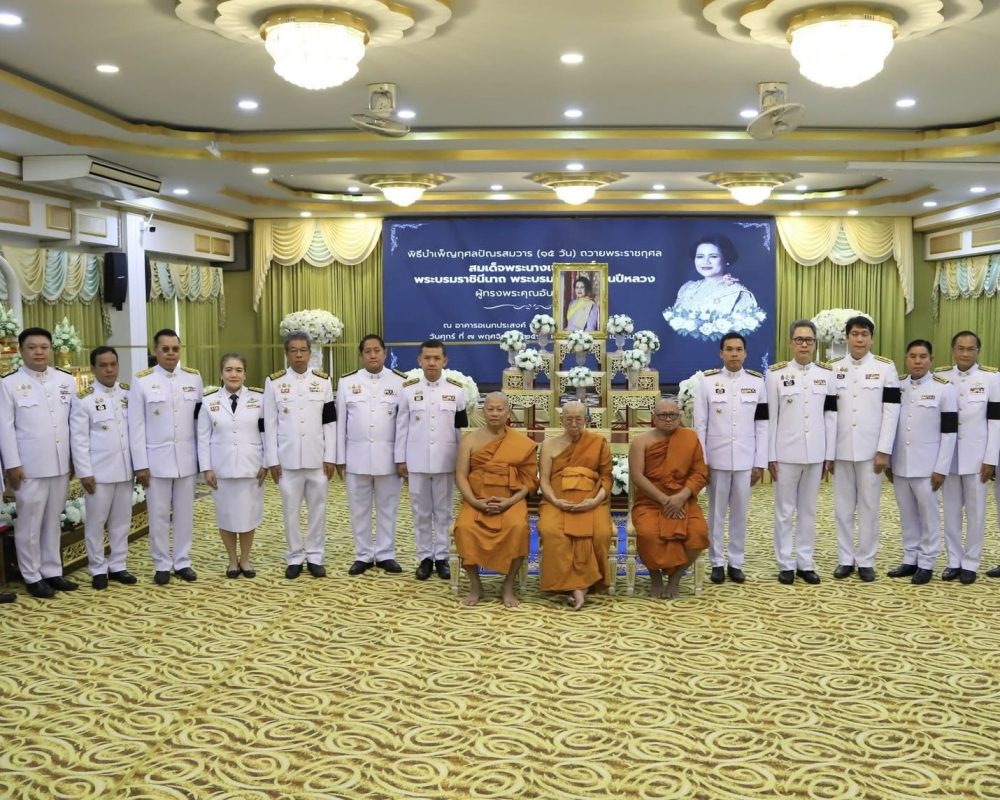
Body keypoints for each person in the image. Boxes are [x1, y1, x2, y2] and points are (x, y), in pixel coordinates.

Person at [0, 327, 79, 598]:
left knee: (53, 520)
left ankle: (52, 571)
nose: (39, 352)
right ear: (21, 351)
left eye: (44, 347)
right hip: (28, 467)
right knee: (30, 523)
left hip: (60, 464)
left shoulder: (65, 380)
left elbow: (73, 424)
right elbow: (5, 428)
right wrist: (12, 464)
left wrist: (74, 460)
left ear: (51, 349)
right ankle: (32, 575)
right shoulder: (9, 383)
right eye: (32, 347)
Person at [129, 328, 203, 585]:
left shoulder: (193, 378)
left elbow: (199, 422)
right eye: (165, 349)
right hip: (155, 461)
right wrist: (140, 464)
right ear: (155, 351)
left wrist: (202, 459)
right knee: (158, 515)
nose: (171, 353)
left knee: (184, 514)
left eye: (175, 349)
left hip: (186, 459)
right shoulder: (142, 380)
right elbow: (136, 426)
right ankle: (161, 563)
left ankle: (182, 561)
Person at [829, 315, 900, 582]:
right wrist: (828, 453)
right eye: (855, 334)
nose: (859, 339)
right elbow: (828, 413)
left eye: (864, 334)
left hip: (872, 451)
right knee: (843, 508)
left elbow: (891, 411)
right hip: (841, 449)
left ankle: (866, 560)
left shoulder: (885, 368)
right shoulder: (833, 368)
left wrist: (884, 450)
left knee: (869, 507)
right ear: (847, 337)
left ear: (871, 338)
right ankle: (845, 559)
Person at [693, 331, 768, 585]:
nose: (734, 354)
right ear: (721, 353)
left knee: (740, 513)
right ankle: (716, 561)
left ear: (745, 354)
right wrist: (702, 462)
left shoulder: (757, 383)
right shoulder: (707, 382)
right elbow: (700, 425)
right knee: (716, 513)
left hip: (746, 459)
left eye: (738, 350)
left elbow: (762, 425)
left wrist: (760, 462)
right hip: (717, 459)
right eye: (729, 349)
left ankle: (736, 562)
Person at [766, 320, 836, 585]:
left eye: (809, 340)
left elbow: (831, 416)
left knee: (808, 511)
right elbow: (771, 418)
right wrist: (770, 455)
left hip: (816, 453)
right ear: (791, 343)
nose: (804, 344)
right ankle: (785, 563)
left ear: (815, 344)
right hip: (785, 453)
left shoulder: (827, 374)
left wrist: (829, 454)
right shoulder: (776, 375)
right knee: (784, 511)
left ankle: (805, 562)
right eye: (799, 340)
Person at [454, 392, 538, 607]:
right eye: (490, 409)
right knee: (464, 527)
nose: (495, 413)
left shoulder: (522, 443)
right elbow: (461, 475)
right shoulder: (469, 440)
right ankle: (475, 585)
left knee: (519, 528)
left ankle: (508, 585)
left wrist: (510, 502)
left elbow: (529, 481)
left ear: (508, 412)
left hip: (510, 500)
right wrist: (474, 502)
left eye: (500, 409)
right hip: (477, 499)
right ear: (483, 412)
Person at [263, 332, 336, 579]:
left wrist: (330, 456)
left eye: (303, 350)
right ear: (286, 353)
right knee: (290, 510)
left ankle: (315, 556)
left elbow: (330, 423)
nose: (298, 355)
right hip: (287, 460)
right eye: (293, 350)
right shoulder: (274, 382)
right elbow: (269, 424)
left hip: (317, 459)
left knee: (318, 509)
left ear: (310, 352)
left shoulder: (323, 381)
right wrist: (272, 460)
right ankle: (294, 556)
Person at [395, 340, 468, 581]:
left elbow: (461, 430)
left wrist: (462, 462)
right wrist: (400, 458)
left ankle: (443, 557)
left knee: (444, 511)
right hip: (416, 461)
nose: (432, 363)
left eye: (437, 358)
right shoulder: (408, 389)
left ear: (445, 361)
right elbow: (401, 427)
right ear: (419, 360)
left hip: (446, 461)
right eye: (427, 358)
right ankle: (425, 557)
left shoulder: (457, 390)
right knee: (421, 511)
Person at [886, 340, 957, 585]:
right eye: (913, 356)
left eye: (923, 356)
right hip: (901, 464)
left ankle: (927, 562)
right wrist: (889, 462)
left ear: (931, 359)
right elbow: (890, 425)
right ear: (906, 359)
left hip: (928, 467)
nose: (918, 361)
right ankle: (910, 558)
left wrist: (941, 468)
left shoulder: (944, 388)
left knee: (929, 516)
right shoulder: (898, 386)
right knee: (907, 515)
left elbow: (949, 432)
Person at [337, 334, 406, 575]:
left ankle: (386, 553)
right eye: (368, 351)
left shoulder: (400, 382)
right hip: (356, 458)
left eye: (377, 350)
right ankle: (363, 554)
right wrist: (340, 458)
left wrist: (402, 458)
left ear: (385, 354)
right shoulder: (347, 382)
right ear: (361, 355)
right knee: (359, 509)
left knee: (388, 508)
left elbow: (403, 425)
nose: (373, 355)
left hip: (389, 459)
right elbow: (341, 424)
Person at [69, 346, 137, 590]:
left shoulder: (128, 394)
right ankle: (98, 568)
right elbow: (78, 440)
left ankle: (118, 565)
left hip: (126, 470)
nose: (109, 369)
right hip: (98, 473)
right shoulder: (83, 399)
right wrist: (84, 472)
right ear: (93, 368)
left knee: (122, 522)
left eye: (113, 364)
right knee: (96, 523)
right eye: (103, 365)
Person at [935, 331, 1000, 584]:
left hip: (977, 458)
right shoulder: (941, 377)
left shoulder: (991, 378)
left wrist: (990, 459)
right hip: (948, 458)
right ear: (953, 350)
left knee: (976, 513)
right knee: (951, 512)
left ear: (978, 351)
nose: (965, 353)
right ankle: (954, 561)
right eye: (960, 348)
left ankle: (971, 563)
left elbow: (995, 422)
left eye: (970, 349)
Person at [630, 397, 709, 599]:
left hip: (683, 500)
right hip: (650, 501)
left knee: (698, 533)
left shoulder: (690, 438)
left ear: (679, 416)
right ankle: (655, 576)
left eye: (673, 415)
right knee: (648, 534)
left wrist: (681, 497)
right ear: (653, 418)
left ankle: (676, 577)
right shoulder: (641, 441)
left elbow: (700, 473)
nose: (668, 419)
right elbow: (637, 476)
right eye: (663, 415)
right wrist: (665, 500)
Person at [537, 401, 613, 610]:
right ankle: (574, 585)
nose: (573, 423)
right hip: (557, 500)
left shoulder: (598, 442)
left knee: (600, 533)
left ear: (586, 420)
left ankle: (582, 585)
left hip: (591, 500)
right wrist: (555, 500)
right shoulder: (549, 445)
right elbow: (544, 480)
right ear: (561, 420)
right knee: (551, 531)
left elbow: (606, 477)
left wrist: (595, 501)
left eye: (578, 419)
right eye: (568, 419)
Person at [199, 353, 267, 579]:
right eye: (228, 370)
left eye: (238, 370)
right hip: (222, 469)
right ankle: (231, 560)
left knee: (248, 516)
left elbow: (266, 432)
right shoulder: (208, 400)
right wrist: (207, 468)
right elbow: (203, 437)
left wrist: (266, 462)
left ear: (245, 374)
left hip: (251, 467)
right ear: (221, 373)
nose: (233, 374)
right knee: (226, 516)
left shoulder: (259, 398)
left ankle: (245, 559)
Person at [662, 234, 764, 337]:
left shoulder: (739, 293)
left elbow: (742, 336)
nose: (705, 262)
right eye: (700, 256)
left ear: (726, 259)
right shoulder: (687, 288)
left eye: (713, 256)